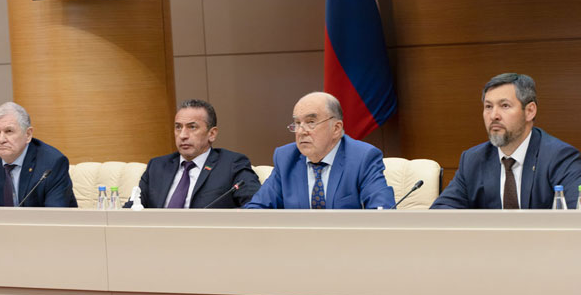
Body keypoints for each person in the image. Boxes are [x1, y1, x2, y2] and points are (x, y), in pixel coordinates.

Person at [431, 73, 581, 209]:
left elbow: (576, 215)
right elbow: (442, 210)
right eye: (488, 106)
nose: (494, 116)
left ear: (530, 111)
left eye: (505, 106)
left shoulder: (560, 158)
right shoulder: (473, 160)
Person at [245, 92, 395, 209]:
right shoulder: (286, 158)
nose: (301, 131)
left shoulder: (362, 157)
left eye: (311, 122)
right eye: (297, 123)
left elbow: (382, 211)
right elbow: (256, 209)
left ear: (336, 128)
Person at [128, 99, 261, 208]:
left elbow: (255, 206)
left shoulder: (232, 164)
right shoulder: (157, 166)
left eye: (192, 127)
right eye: (178, 127)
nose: (183, 135)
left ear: (212, 134)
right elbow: (132, 208)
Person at [0, 102, 77, 207]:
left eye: (9, 131)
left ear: (28, 134)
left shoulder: (52, 164)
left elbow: (55, 214)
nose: (1, 139)